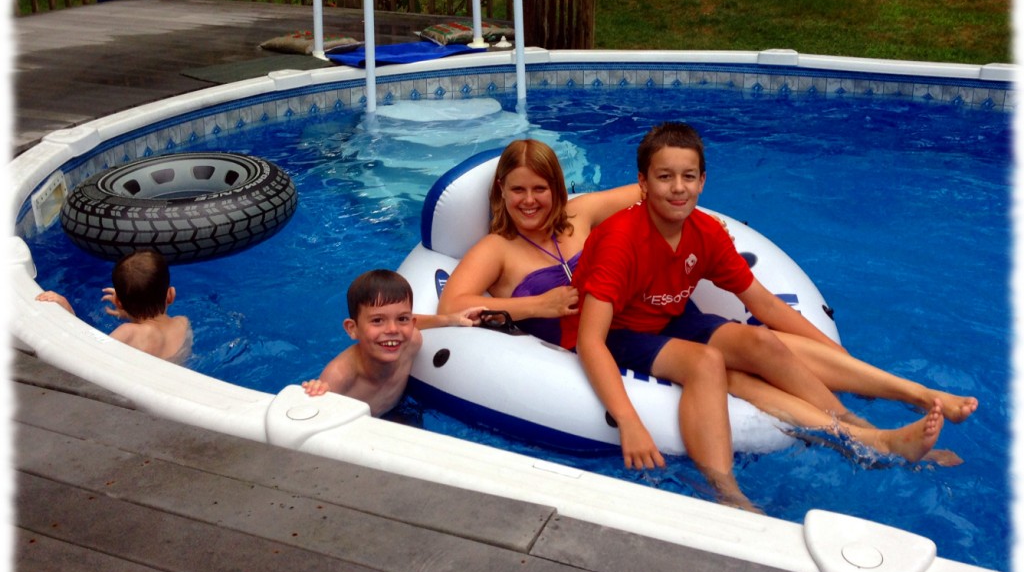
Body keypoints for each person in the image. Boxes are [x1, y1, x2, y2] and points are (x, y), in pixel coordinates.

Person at [439, 138, 977, 429]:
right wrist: (540, 302)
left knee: (768, 342)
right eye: (517, 191)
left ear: (558, 190)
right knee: (734, 375)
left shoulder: (579, 216)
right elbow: (453, 306)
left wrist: (677, 197)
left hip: (647, 314)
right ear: (501, 196)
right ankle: (857, 432)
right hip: (597, 340)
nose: (530, 201)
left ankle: (917, 394)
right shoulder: (496, 250)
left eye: (541, 189)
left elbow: (647, 187)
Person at [561, 123, 946, 499]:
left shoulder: (706, 232)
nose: (678, 187)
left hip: (669, 316)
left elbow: (763, 304)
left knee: (759, 340)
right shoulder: (620, 241)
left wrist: (837, 358)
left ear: (703, 181)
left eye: (688, 176)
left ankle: (863, 431)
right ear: (643, 183)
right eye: (665, 177)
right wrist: (628, 421)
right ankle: (726, 491)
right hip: (619, 332)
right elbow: (590, 339)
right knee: (706, 362)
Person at [302, 269, 486, 417]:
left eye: (402, 319)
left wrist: (450, 319)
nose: (392, 329)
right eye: (377, 321)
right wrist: (315, 392)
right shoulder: (340, 377)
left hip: (398, 413)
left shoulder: (412, 341)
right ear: (352, 328)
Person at [35, 248, 192, 363]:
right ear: (171, 295)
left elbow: (89, 354)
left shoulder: (129, 332)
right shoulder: (183, 323)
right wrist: (127, 313)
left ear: (118, 303)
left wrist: (68, 311)